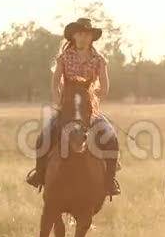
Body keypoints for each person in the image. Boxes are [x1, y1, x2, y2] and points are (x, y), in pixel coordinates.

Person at [25, 18, 121, 197]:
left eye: (87, 34)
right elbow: (55, 84)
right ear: (74, 36)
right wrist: (61, 100)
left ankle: (109, 180)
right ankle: (39, 174)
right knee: (44, 135)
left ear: (92, 37)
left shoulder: (99, 60)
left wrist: (88, 96)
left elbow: (105, 88)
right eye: (80, 34)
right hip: (67, 107)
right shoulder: (64, 58)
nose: (83, 37)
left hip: (88, 108)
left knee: (111, 137)